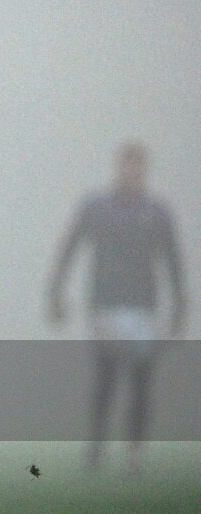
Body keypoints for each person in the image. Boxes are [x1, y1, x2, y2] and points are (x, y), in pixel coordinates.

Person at [48, 141, 187, 470]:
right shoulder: (97, 208)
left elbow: (172, 260)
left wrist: (180, 306)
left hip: (142, 308)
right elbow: (70, 247)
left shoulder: (156, 213)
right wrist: (56, 292)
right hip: (105, 305)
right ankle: (96, 449)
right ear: (118, 168)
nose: (132, 173)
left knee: (141, 380)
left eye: (138, 167)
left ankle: (134, 453)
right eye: (127, 166)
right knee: (106, 378)